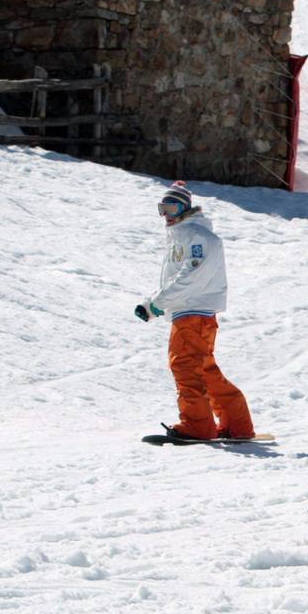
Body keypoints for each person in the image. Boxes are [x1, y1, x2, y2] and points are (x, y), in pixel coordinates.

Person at [134, 180, 255, 441]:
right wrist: (152, 305)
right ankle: (237, 424)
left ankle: (197, 426)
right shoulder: (182, 237)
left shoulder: (199, 237)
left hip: (194, 313)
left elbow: (191, 277)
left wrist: (157, 303)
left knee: (186, 367)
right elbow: (175, 281)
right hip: (189, 312)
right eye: (162, 208)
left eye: (172, 208)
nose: (166, 215)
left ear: (186, 208)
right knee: (203, 369)